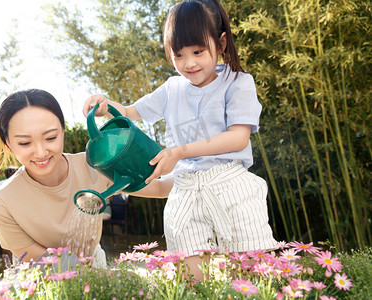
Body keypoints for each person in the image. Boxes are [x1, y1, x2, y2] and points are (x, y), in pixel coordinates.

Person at [83, 0, 277, 279]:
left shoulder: (237, 82)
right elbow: (128, 112)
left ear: (221, 43)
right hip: (184, 190)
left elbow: (237, 138)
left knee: (251, 274)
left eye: (198, 51)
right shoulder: (171, 89)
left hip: (230, 184)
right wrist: (105, 105)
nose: (189, 63)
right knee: (190, 279)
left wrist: (179, 152)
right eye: (179, 55)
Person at [0, 89, 172, 266]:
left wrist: (190, 161)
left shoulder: (95, 167)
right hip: (40, 278)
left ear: (63, 131)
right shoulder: (3, 202)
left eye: (50, 138)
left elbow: (161, 188)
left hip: (93, 265)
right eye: (24, 142)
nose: (40, 152)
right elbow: (44, 262)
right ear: (7, 143)